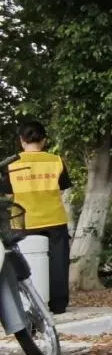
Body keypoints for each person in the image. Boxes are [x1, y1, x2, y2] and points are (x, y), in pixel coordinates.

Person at [0, 121, 72, 314]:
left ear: (21, 140)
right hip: (54, 219)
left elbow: (9, 195)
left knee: (25, 262)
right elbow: (62, 189)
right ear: (44, 140)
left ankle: (29, 304)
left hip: (24, 221)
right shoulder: (56, 161)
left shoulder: (12, 164)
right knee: (58, 263)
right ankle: (58, 305)